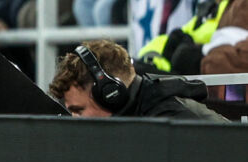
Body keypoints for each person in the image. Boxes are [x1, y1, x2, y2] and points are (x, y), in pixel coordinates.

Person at [48, 38, 226, 120]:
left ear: (110, 94)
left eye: (79, 111)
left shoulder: (173, 122)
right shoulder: (138, 115)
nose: (74, 120)